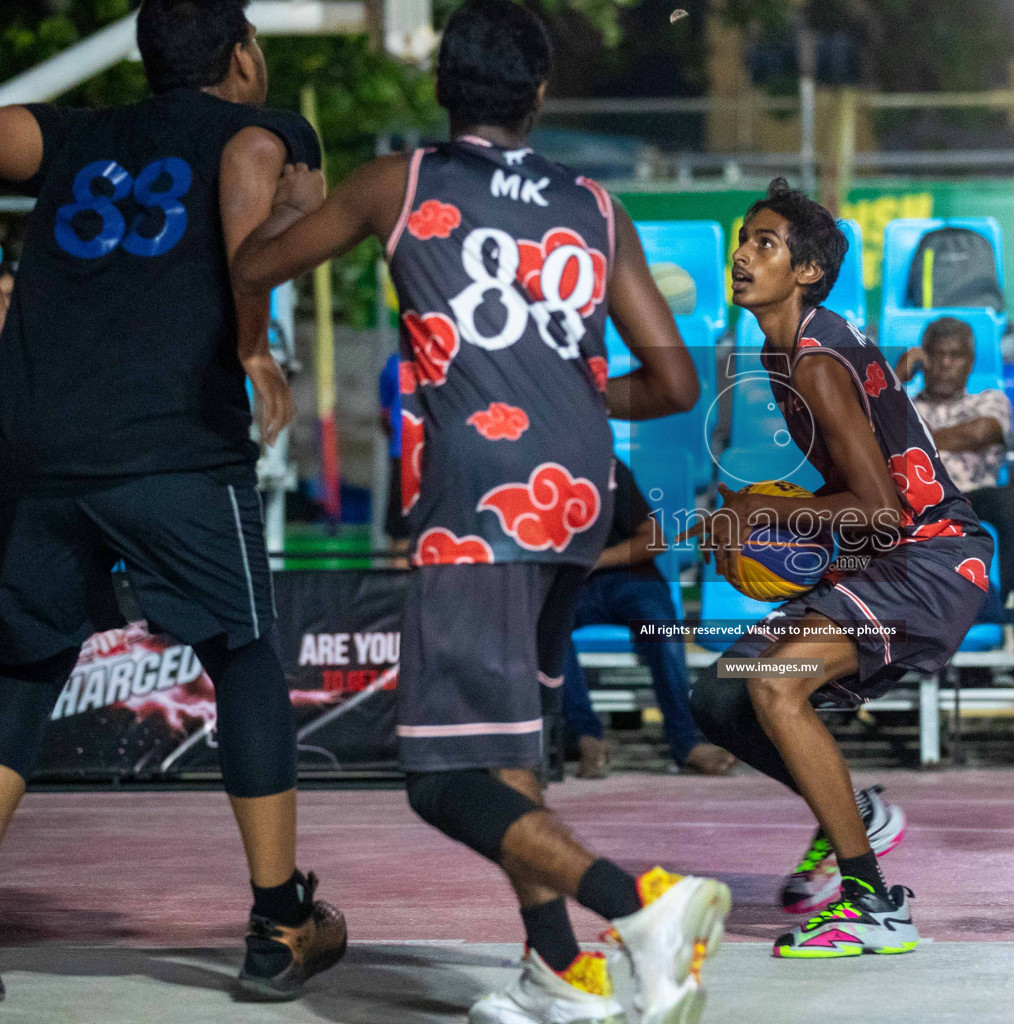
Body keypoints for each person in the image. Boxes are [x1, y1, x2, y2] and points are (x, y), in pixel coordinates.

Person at [232, 3, 730, 1022]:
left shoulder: (400, 183)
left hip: (479, 498)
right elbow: (675, 381)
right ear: (540, 95)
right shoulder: (594, 205)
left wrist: (282, 191)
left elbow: (254, 266)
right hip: (580, 494)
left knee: (441, 777)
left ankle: (642, 903)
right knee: (511, 748)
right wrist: (581, 400)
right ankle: (557, 969)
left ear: (439, 87)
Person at [0, 0, 346, 1001]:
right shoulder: (264, 128)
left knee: (21, 671)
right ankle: (280, 921)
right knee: (241, 653)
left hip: (38, 445)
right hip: (173, 442)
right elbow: (245, 175)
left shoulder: (75, 134)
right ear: (243, 55)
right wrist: (248, 341)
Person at [688, 178, 992, 958]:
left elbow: (884, 510)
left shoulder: (818, 361)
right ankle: (858, 812)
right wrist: (751, 511)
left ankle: (874, 904)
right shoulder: (783, 349)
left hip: (931, 558)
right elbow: (853, 492)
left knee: (774, 685)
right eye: (743, 241)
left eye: (765, 244)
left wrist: (763, 514)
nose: (742, 256)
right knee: (718, 699)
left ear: (808, 272)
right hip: (891, 560)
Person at [559, 458, 736, 779]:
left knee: (662, 629)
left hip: (631, 578)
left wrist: (592, 561)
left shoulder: (606, 467)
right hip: (571, 586)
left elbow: (651, 538)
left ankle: (686, 742)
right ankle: (586, 736)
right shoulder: (527, 476)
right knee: (548, 630)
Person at [898, 315, 1014, 603]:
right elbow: (865, 431)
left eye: (955, 356)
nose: (945, 364)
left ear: (970, 362)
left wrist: (914, 440)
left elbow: (982, 433)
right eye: (937, 354)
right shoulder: (903, 404)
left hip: (974, 498)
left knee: (1012, 503)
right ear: (923, 360)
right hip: (916, 501)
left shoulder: (990, 400)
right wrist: (895, 378)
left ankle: (1002, 601)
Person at [377, 351, 412, 560]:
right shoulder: (396, 362)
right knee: (402, 530)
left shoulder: (395, 362)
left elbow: (384, 414)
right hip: (410, 453)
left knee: (401, 530)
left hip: (408, 453)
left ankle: (399, 585)